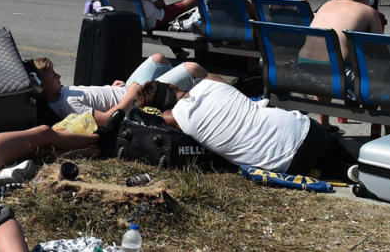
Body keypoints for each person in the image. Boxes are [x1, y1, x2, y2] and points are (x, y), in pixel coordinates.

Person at [139, 68, 358, 179]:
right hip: (301, 130)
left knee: (321, 165)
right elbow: (200, 71)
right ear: (170, 84)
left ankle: (344, 171)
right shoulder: (210, 83)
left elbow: (162, 118)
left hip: (281, 163)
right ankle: (366, 164)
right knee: (331, 146)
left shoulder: (176, 119)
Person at [32, 53, 202, 127]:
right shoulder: (66, 105)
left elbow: (96, 97)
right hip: (137, 98)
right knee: (192, 68)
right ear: (42, 86)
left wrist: (110, 89)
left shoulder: (60, 93)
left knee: (159, 59)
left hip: (126, 91)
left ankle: (171, 96)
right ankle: (209, 100)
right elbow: (106, 120)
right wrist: (129, 96)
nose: (59, 76)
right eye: (54, 76)